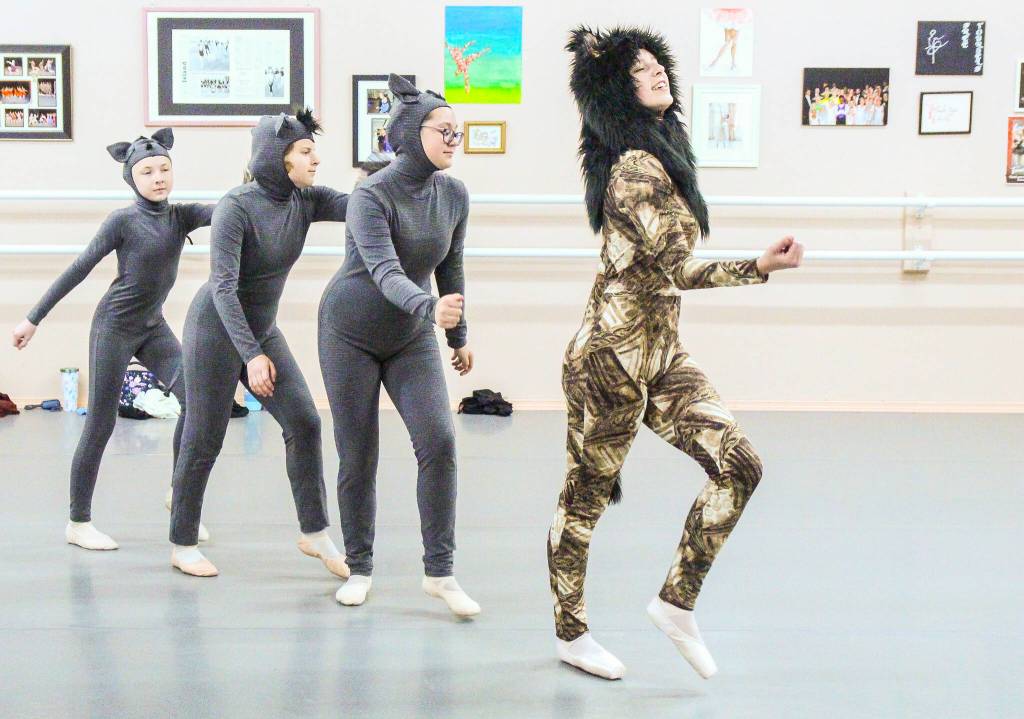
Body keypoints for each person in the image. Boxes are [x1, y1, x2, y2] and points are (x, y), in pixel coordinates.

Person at [548, 26, 804, 681]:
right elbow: (674, 268)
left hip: (660, 355)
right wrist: (758, 266)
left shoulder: (662, 152)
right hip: (608, 362)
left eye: (659, 62)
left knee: (740, 464)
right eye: (639, 69)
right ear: (616, 89)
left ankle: (676, 601)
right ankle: (570, 634)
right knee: (585, 502)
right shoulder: (633, 168)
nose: (656, 71)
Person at [318, 74, 479, 616]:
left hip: (411, 337)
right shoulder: (371, 194)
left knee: (439, 442)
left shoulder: (454, 193)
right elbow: (385, 272)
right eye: (444, 130)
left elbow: (450, 268)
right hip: (350, 333)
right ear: (409, 135)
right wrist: (431, 310)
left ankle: (440, 572)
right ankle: (360, 566)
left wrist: (457, 334)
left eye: (459, 131)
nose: (454, 139)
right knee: (359, 453)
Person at [11, 129, 215, 550]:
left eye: (164, 169)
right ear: (131, 178)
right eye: (147, 171)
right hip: (114, 328)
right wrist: (33, 318)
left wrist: (263, 187)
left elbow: (225, 211)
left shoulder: (180, 216)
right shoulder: (123, 221)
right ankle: (78, 521)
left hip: (152, 327)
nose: (158, 177)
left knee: (195, 401)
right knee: (101, 424)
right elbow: (80, 267)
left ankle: (180, 495)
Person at [167, 110, 349, 578]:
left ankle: (313, 531)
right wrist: (252, 356)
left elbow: (361, 205)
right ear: (277, 156)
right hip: (216, 329)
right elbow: (224, 288)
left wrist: (400, 173)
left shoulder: (304, 201)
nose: (316, 159)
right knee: (204, 435)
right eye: (306, 151)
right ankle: (182, 541)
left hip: (261, 327)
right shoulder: (237, 206)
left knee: (305, 422)